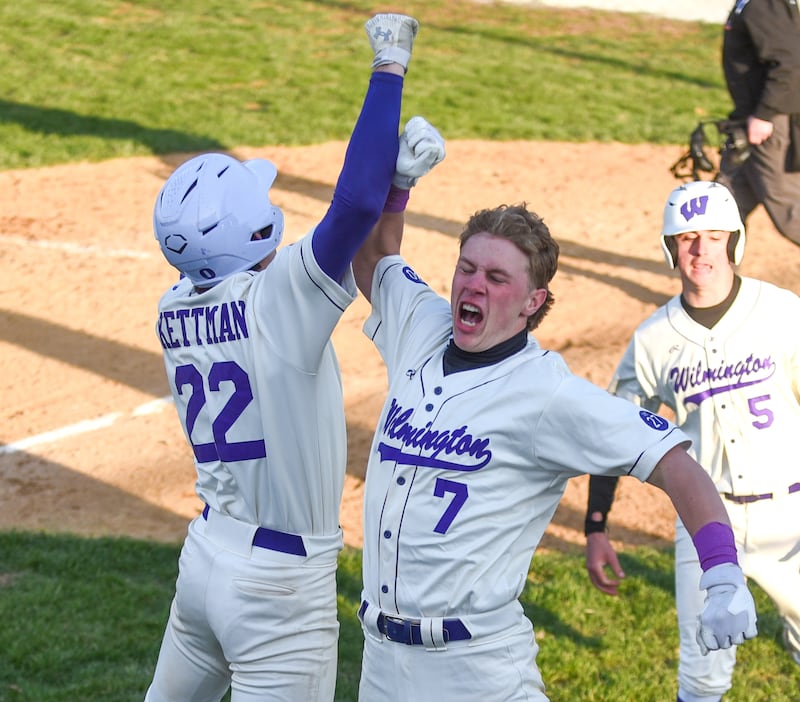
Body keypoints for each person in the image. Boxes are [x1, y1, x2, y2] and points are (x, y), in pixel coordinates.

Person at [350, 167, 759, 700]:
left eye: (497, 278)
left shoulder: (551, 396)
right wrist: (397, 186)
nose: (473, 284)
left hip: (474, 669)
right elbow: (374, 258)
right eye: (466, 268)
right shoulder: (421, 326)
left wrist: (722, 571)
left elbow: (677, 463)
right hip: (379, 662)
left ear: (533, 302)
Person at [143, 13, 420, 702]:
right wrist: (390, 66)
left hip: (206, 559)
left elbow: (353, 221)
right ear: (255, 228)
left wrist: (397, 190)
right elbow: (352, 208)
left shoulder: (174, 308)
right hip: (278, 590)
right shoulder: (279, 303)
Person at [584, 180, 800, 702]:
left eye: (712, 236)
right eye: (685, 238)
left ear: (734, 240)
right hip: (705, 522)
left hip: (790, 512)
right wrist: (595, 526)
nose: (700, 249)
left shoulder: (781, 311)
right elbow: (618, 432)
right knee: (701, 677)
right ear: (669, 248)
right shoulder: (653, 339)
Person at [714, 0, 800, 248]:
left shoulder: (765, 3)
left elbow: (790, 63)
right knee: (724, 207)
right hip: (751, 122)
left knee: (789, 212)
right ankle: (717, 285)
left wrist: (765, 114)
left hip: (767, 126)